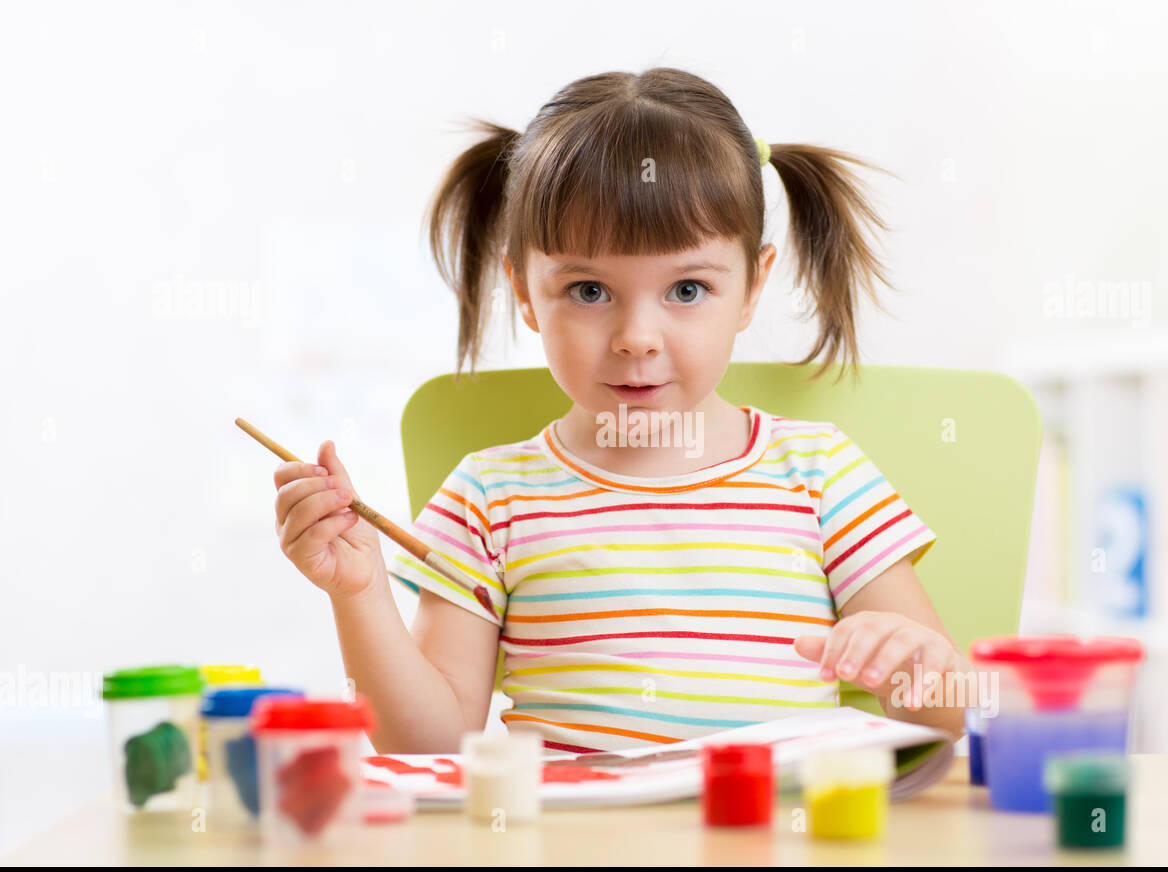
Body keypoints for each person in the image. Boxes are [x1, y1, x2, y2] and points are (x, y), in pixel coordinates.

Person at [273, 68, 972, 755]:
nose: (637, 338)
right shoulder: (488, 499)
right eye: (587, 291)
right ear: (524, 292)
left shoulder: (821, 475)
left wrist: (918, 672)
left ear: (753, 287)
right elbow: (426, 746)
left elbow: (941, 722)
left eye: (689, 290)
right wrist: (358, 593)